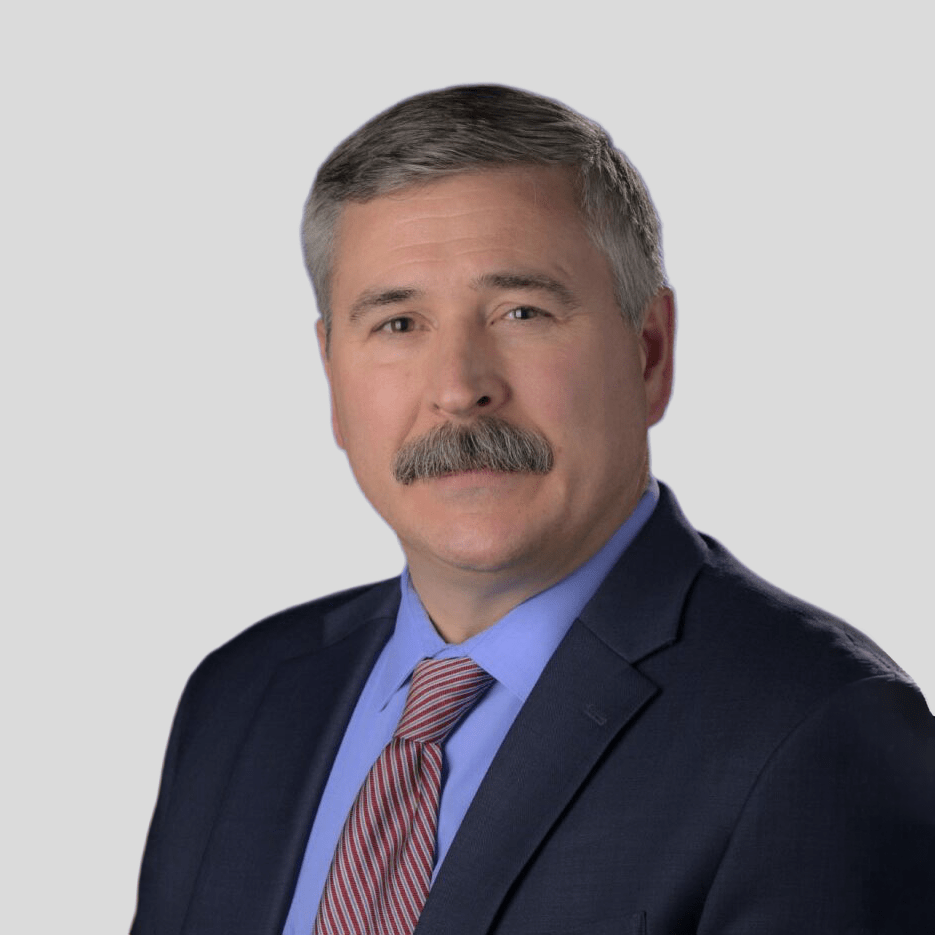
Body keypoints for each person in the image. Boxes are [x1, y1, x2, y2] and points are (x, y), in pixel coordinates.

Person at [131, 85, 935, 935]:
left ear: (649, 352)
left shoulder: (819, 729)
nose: (458, 389)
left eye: (521, 312)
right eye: (398, 323)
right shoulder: (241, 695)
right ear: (331, 373)